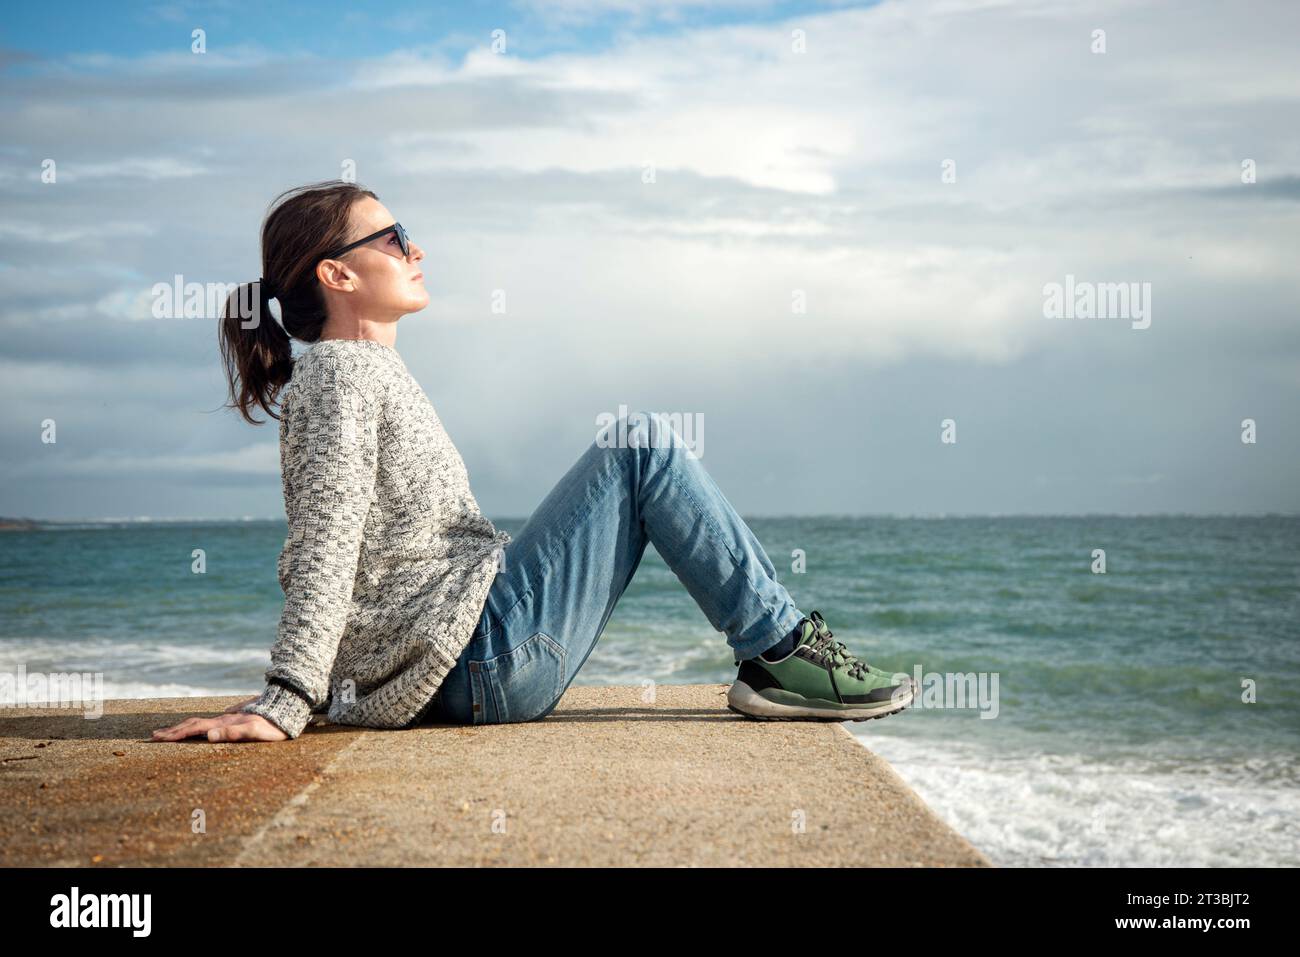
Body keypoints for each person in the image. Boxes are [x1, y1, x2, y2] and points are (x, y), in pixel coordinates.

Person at [152, 180, 915, 744]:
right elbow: (328, 534)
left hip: (461, 658)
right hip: (475, 661)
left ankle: (777, 651)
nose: (415, 250)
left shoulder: (361, 371)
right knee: (641, 443)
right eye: (392, 238)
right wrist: (286, 696)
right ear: (337, 274)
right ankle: (779, 652)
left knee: (636, 446)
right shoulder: (341, 373)